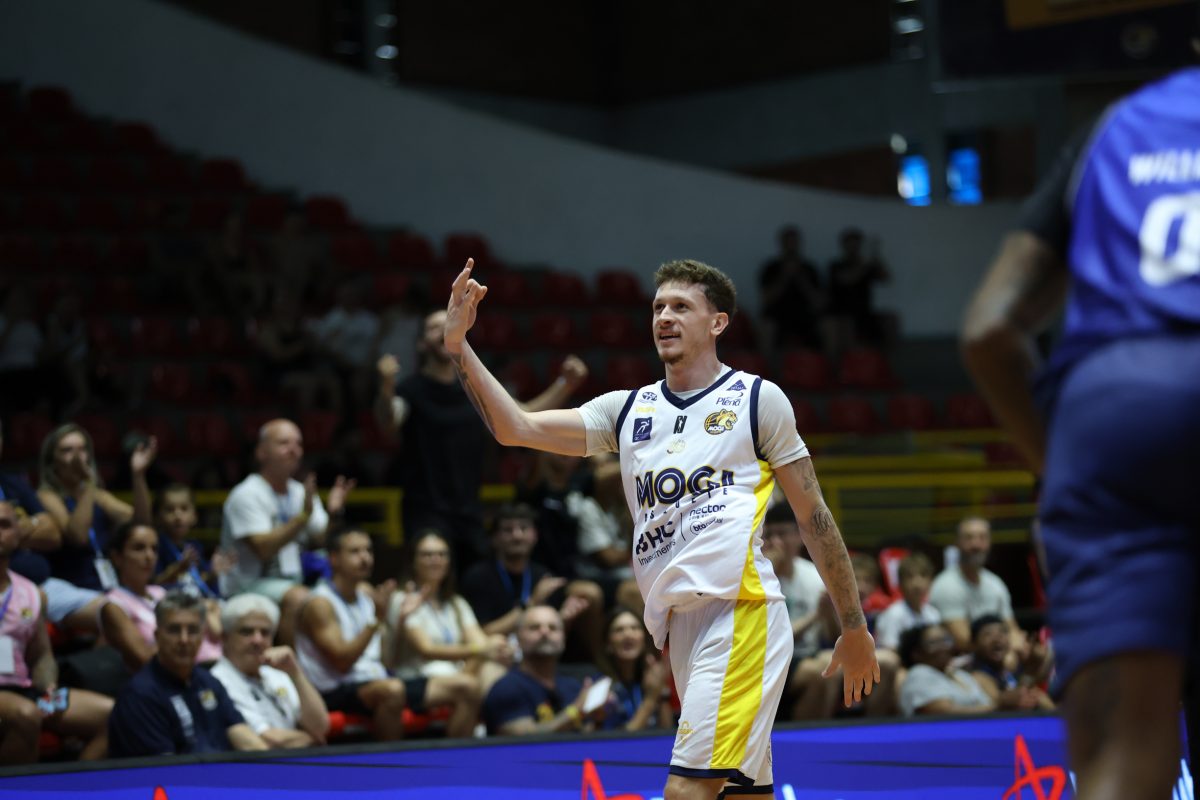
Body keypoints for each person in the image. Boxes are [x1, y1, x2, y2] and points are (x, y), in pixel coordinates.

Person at [443, 256, 878, 800]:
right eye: (658, 308)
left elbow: (814, 518)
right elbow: (516, 427)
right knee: (742, 793)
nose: (665, 317)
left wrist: (854, 626)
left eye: (681, 307)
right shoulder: (628, 410)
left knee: (685, 792)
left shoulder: (756, 400)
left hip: (740, 611)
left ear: (717, 322)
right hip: (680, 626)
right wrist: (459, 346)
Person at [962, 55, 1200, 797]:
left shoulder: (1118, 126)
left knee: (1123, 756)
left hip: (1117, 417)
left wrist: (1068, 470)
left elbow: (988, 331)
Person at [375, 311, 588, 567]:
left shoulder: (474, 388)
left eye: (447, 325)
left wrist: (566, 384)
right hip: (424, 511)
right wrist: (386, 387)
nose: (442, 330)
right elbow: (389, 420)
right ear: (421, 343)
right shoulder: (410, 389)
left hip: (469, 510)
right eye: (434, 327)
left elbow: (522, 415)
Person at [295, 527, 481, 740]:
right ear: (334, 559)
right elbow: (342, 662)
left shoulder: (366, 596)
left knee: (468, 687)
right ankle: (391, 760)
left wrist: (400, 621)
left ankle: (454, 758)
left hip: (375, 681)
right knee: (392, 691)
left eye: (368, 550)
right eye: (355, 552)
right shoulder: (320, 603)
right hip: (336, 690)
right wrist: (376, 620)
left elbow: (387, 661)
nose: (365, 558)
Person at [220, 418, 355, 647]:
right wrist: (302, 517)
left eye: (298, 444)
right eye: (284, 443)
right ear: (262, 452)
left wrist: (333, 514)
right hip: (247, 586)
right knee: (298, 597)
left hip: (292, 580)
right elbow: (263, 549)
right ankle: (291, 664)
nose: (294, 450)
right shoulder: (246, 494)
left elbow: (321, 538)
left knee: (353, 589)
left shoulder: (299, 491)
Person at [0, 500, 113, 764]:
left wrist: (48, 685)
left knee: (113, 715)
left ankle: (69, 784)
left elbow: (41, 655)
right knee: (26, 715)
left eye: (4, 525)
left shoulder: (32, 593)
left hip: (23, 690)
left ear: (19, 533)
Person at [107, 591, 268, 757]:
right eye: (174, 630)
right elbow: (163, 767)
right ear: (157, 636)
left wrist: (270, 766)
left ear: (202, 636)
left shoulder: (209, 681)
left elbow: (242, 735)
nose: (184, 640)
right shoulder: (140, 695)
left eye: (192, 630)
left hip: (218, 770)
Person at [459, 503, 603, 662]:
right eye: (508, 530)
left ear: (535, 535)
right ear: (495, 538)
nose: (517, 536)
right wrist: (531, 603)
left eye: (524, 528)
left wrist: (562, 620)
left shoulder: (542, 575)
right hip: (495, 658)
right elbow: (484, 633)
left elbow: (548, 635)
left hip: (536, 655)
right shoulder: (478, 577)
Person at [388, 530, 512, 697]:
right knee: (470, 682)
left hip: (456, 674)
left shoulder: (456, 603)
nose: (436, 560)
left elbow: (479, 640)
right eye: (427, 555)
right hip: (418, 678)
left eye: (442, 554)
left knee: (496, 669)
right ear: (413, 562)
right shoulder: (403, 599)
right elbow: (427, 649)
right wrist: (480, 649)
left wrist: (497, 646)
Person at [210, 594, 330, 748]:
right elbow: (268, 739)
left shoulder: (277, 674)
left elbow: (320, 726)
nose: (258, 640)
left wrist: (295, 673)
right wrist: (312, 740)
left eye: (265, 633)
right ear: (225, 638)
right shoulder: (216, 680)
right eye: (247, 632)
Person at [105, 521, 222, 666]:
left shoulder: (159, 591)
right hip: (187, 670)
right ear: (117, 557)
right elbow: (143, 657)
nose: (149, 556)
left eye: (154, 549)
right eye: (139, 548)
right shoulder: (114, 604)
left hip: (215, 661)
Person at [481, 604, 600, 736]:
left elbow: (584, 738)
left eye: (553, 628)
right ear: (518, 639)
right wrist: (576, 711)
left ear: (563, 638)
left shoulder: (572, 686)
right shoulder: (506, 688)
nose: (545, 632)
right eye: (534, 627)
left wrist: (598, 719)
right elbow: (522, 740)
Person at [926, 516, 1020, 651]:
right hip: (964, 659)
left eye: (982, 538)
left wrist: (1016, 649)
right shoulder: (946, 586)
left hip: (998, 654)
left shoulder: (996, 583)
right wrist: (1007, 654)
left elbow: (1013, 631)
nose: (976, 545)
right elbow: (964, 641)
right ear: (957, 543)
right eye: (969, 538)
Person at [597, 606, 675, 732]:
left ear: (644, 640)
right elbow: (621, 739)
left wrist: (661, 691)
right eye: (619, 630)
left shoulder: (650, 680)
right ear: (608, 643)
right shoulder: (603, 688)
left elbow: (667, 733)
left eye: (635, 628)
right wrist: (651, 698)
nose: (628, 635)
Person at [758, 226, 825, 351]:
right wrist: (784, 276)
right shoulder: (771, 268)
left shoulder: (809, 268)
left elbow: (818, 302)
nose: (791, 247)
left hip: (805, 314)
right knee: (766, 324)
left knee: (825, 324)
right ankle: (767, 363)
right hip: (777, 314)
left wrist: (801, 278)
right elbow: (766, 299)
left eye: (793, 243)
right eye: (787, 243)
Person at [968, 614, 1053, 711]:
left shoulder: (1009, 670)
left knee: (1038, 695)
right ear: (974, 644)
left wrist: (1035, 663)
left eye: (1002, 632)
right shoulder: (976, 676)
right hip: (999, 720)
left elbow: (1037, 678)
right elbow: (1001, 703)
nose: (997, 639)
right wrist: (1030, 672)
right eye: (988, 634)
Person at [873, 552, 940, 652]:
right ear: (900, 583)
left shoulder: (933, 614)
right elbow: (890, 652)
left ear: (931, 581)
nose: (917, 584)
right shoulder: (893, 615)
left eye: (923, 576)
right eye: (910, 577)